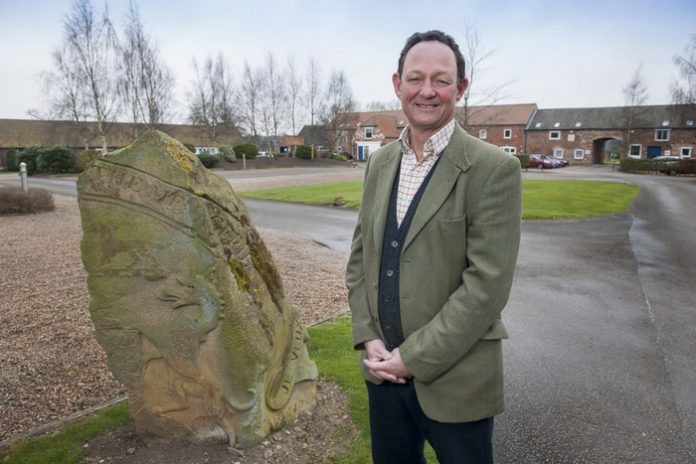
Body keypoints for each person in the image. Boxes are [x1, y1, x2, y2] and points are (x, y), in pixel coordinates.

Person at [345, 30, 522, 464]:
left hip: (457, 380)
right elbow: (361, 259)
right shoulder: (379, 163)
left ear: (460, 88)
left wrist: (414, 358)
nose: (427, 91)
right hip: (383, 374)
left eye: (441, 80)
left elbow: (487, 287)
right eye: (415, 78)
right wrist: (368, 334)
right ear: (397, 84)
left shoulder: (494, 169)